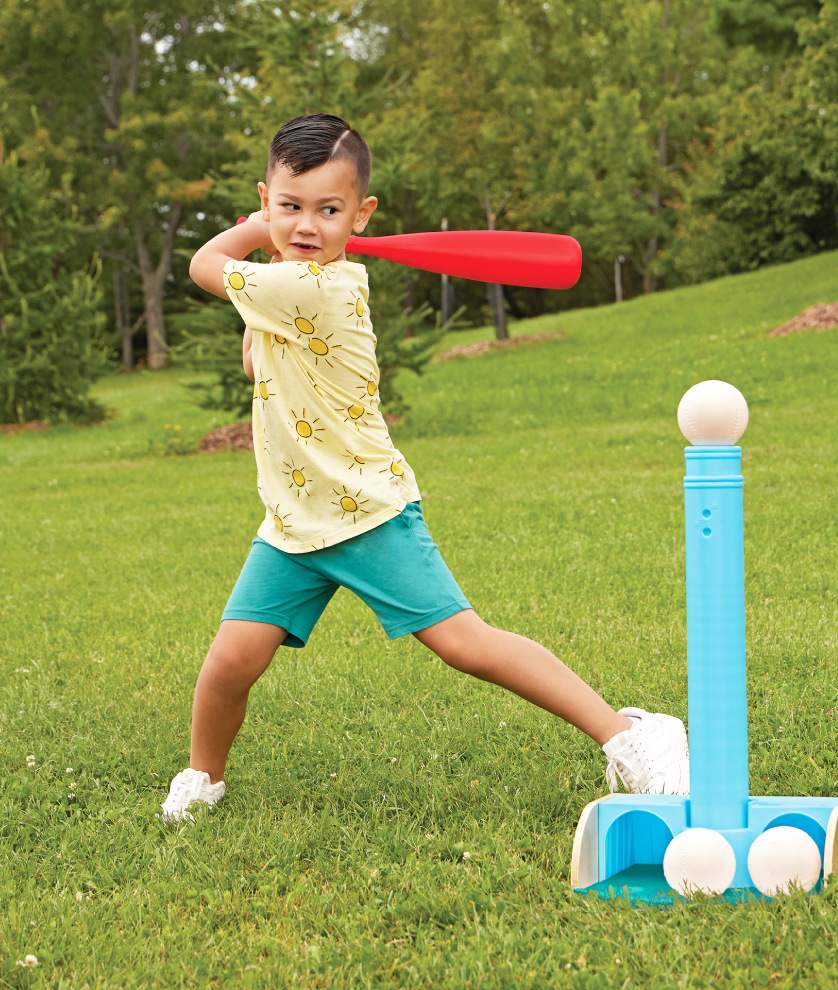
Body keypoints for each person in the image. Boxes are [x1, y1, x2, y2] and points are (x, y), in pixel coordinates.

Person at [161, 113, 688, 822]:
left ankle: (631, 733)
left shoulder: (320, 289)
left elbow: (203, 266)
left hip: (364, 511)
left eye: (328, 210)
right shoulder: (287, 285)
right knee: (231, 662)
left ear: (361, 215)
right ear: (268, 195)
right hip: (294, 520)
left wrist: (258, 229)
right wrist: (270, 250)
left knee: (467, 645)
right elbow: (256, 360)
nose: (307, 224)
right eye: (291, 206)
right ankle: (203, 777)